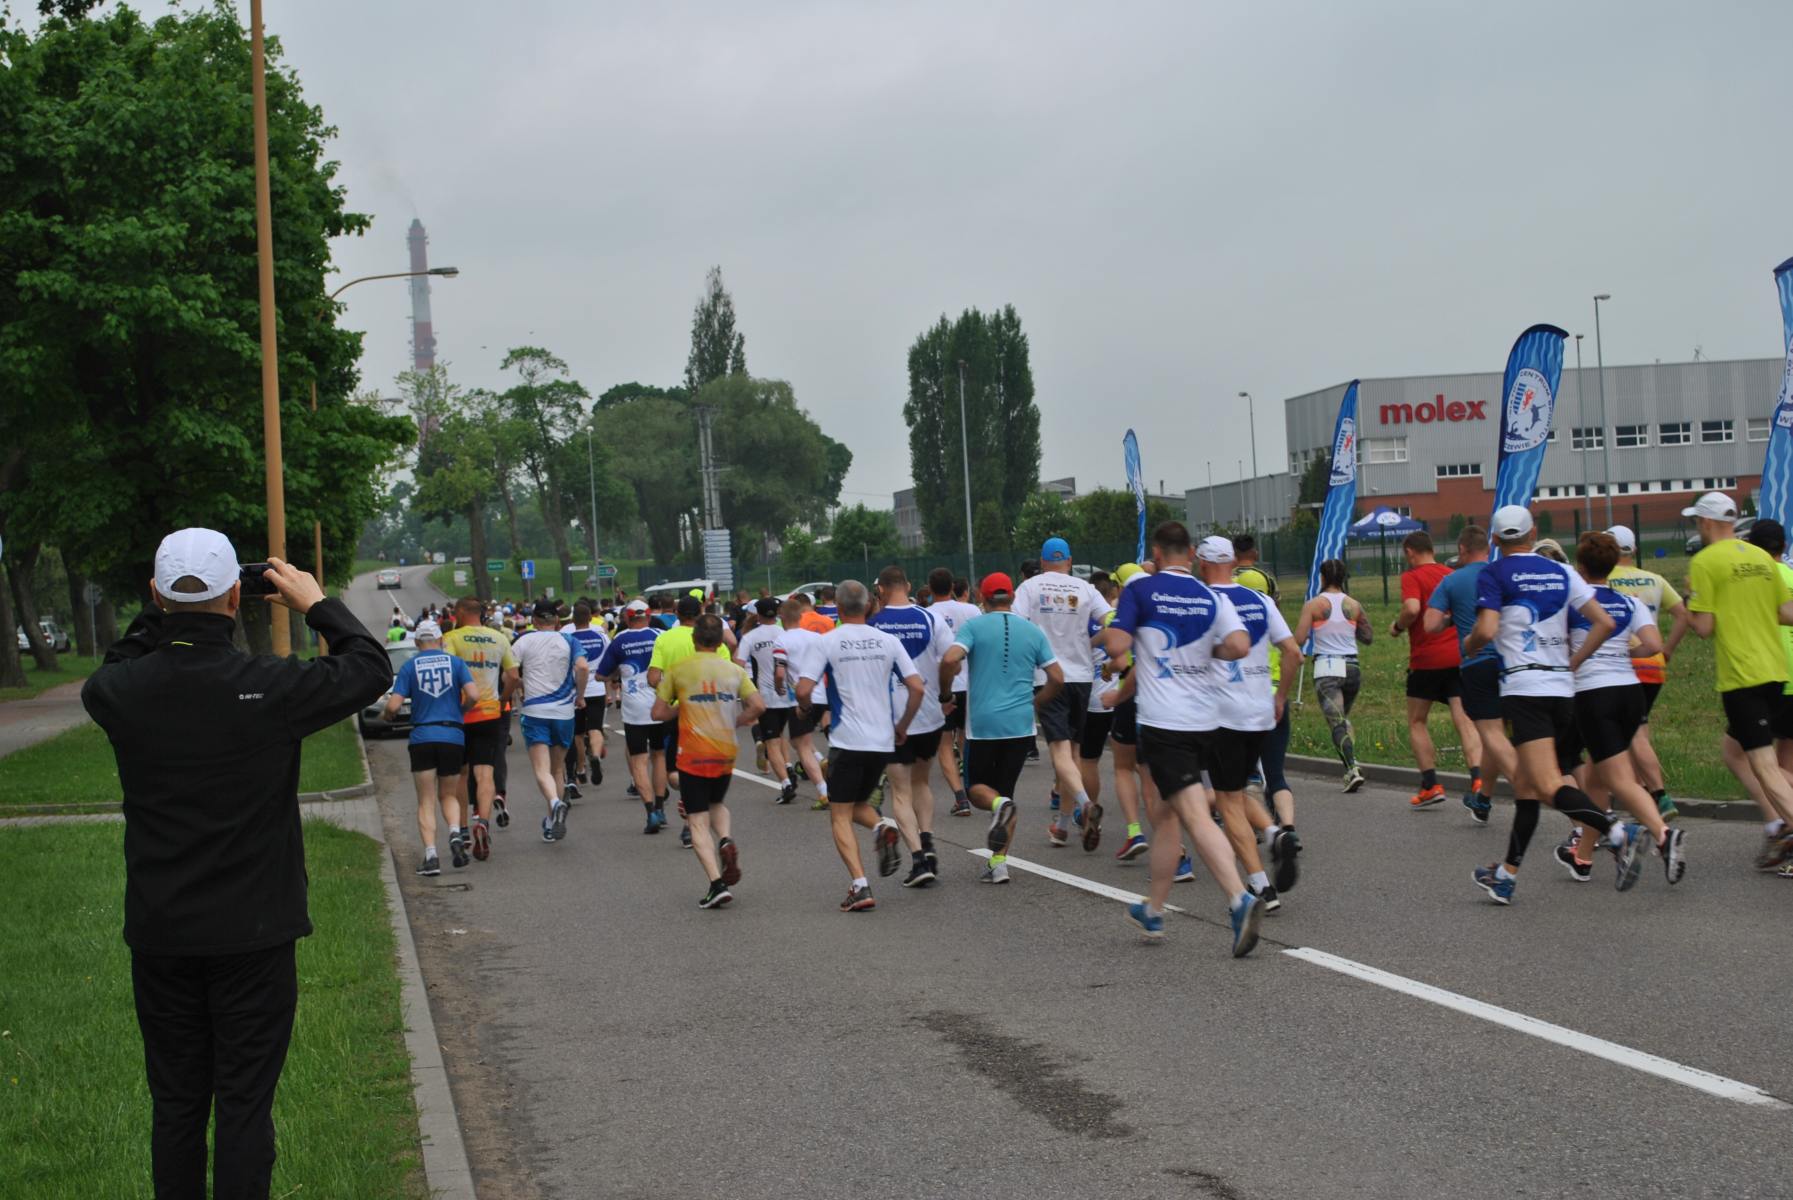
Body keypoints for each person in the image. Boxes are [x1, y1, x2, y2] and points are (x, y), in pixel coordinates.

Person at [81, 532, 392, 1199]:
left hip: (163, 929)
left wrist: (164, 611)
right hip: (255, 928)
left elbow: (120, 659)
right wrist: (317, 604)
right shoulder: (271, 688)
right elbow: (370, 668)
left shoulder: (119, 692)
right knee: (245, 1103)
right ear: (235, 597)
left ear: (156, 596)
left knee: (176, 1103)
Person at [1097, 522, 1263, 955]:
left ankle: (1239, 898)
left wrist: (1108, 638)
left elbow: (1116, 644)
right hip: (1207, 721)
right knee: (1165, 813)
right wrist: (1208, 652)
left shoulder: (1141, 589)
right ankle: (1153, 910)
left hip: (1165, 724)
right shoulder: (1211, 596)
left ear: (1156, 553)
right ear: (1191, 553)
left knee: (1192, 814)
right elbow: (1240, 645)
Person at [1464, 505, 1641, 905]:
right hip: (1562, 691)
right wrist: (1573, 662)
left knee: (1546, 785)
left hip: (1524, 688)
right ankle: (1506, 876)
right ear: (1533, 533)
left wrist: (1470, 644)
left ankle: (1617, 832)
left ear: (1495, 539)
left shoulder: (1494, 573)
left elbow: (1487, 629)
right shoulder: (1561, 571)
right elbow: (1604, 622)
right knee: (1527, 788)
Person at [1558, 532, 1686, 883]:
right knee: (1596, 779)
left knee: (1618, 779)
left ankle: (1664, 836)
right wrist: (1624, 654)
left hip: (1594, 693)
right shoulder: (1629, 602)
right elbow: (1654, 645)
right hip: (1631, 692)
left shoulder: (1575, 602)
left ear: (1581, 567)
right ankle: (1583, 858)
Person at [1681, 491, 1793, 871]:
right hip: (1776, 672)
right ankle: (1779, 830)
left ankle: (1786, 827)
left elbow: (1704, 627)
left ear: (1707, 522)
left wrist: (1689, 601)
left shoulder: (1705, 561)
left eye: (1697, 521)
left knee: (1763, 765)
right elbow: (1786, 612)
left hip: (1742, 676)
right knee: (1755, 757)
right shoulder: (1761, 557)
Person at [795, 580, 924, 911]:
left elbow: (803, 689)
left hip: (847, 740)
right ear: (868, 606)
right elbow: (917, 688)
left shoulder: (827, 642)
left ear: (838, 608)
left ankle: (860, 885)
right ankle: (881, 826)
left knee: (839, 813)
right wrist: (902, 726)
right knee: (855, 805)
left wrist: (805, 709)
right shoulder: (888, 641)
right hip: (882, 741)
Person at [936, 572, 1065, 884]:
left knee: (978, 790)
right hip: (1021, 725)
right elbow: (1058, 678)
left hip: (984, 725)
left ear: (982, 596)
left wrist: (946, 694)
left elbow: (950, 659)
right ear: (1012, 597)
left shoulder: (974, 626)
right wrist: (1037, 703)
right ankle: (998, 863)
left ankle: (1000, 809)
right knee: (1006, 791)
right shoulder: (1032, 630)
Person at [1200, 537, 1303, 909]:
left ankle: (1261, 886)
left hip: (1222, 714)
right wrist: (1280, 697)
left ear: (1202, 564)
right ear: (1233, 563)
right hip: (1261, 712)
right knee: (1237, 790)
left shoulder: (1203, 600)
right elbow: (1293, 653)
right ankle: (1276, 833)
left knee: (1227, 800)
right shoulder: (1260, 600)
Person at [652, 615, 766, 908]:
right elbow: (758, 706)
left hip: (692, 753)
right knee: (716, 803)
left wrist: (683, 707)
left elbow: (658, 713)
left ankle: (717, 884)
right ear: (720, 642)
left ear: (694, 639)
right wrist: (736, 720)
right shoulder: (733, 670)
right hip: (725, 750)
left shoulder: (678, 670)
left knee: (697, 819)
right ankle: (725, 838)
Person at [1013, 536, 1114, 850]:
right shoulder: (1086, 588)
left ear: (1043, 562)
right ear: (1069, 561)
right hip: (1082, 676)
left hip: (1048, 675)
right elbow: (1111, 620)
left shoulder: (1029, 587)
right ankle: (1062, 825)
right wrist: (1091, 643)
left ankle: (1085, 805)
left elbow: (1016, 626)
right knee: (1074, 753)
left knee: (1059, 750)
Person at [867, 565, 956, 886]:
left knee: (901, 792)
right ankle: (927, 839)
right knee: (921, 782)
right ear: (907, 585)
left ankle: (919, 860)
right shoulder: (931, 619)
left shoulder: (873, 625)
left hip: (893, 719)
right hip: (929, 713)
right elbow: (952, 661)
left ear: (880, 590)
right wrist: (945, 693)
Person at [1605, 524, 1691, 821]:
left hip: (1622, 665)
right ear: (1635, 550)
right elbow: (1682, 615)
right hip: (1653, 665)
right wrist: (1667, 650)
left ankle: (1658, 795)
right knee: (1635, 731)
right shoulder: (1655, 579)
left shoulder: (1603, 579)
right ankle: (1642, 799)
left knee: (1632, 734)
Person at [1391, 531, 1482, 809]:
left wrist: (1397, 626)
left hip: (1427, 660)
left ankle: (1430, 784)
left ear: (1410, 552)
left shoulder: (1412, 576)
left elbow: (1412, 608)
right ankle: (1478, 779)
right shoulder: (1449, 574)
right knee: (1464, 719)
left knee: (1417, 720)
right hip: (1457, 655)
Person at [1423, 526, 1507, 822]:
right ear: (1488, 548)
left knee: (1493, 735)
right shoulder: (1501, 574)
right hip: (1514, 664)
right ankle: (1483, 799)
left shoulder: (1452, 580)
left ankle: (1531, 787)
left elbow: (1430, 624)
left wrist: (1451, 619)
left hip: (1477, 663)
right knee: (1497, 736)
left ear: (1461, 549)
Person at [384, 620, 478, 875]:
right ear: (441, 640)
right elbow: (473, 694)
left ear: (417, 642)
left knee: (426, 800)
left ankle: (431, 856)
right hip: (452, 736)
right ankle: (456, 833)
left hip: (423, 737)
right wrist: (461, 710)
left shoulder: (409, 666)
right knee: (448, 795)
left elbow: (394, 705)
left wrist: (387, 716)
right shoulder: (456, 663)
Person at [648, 594, 734, 847]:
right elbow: (727, 676)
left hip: (679, 712)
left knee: (675, 771)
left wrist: (668, 694)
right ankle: (700, 822)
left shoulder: (665, 639)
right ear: (700, 614)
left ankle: (691, 817)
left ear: (677, 614)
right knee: (708, 770)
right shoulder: (715, 643)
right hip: (713, 714)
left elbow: (653, 677)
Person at [443, 595, 520, 860]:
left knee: (461, 774)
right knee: (485, 773)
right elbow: (513, 676)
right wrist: (503, 700)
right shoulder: (499, 638)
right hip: (489, 713)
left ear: (462, 612)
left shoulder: (452, 638)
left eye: (455, 612)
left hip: (460, 714)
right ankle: (483, 822)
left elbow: (447, 672)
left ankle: (463, 829)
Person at [511, 599, 589, 843]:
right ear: (556, 620)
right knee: (557, 769)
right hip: (564, 712)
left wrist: (518, 688)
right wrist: (580, 696)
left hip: (535, 711)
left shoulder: (523, 640)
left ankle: (555, 803)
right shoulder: (569, 640)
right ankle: (551, 821)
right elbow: (583, 667)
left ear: (533, 621)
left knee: (541, 770)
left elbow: (511, 673)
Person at [1293, 558, 1373, 792]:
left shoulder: (1314, 605)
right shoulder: (1354, 605)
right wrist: (1346, 626)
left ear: (1322, 577)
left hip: (1327, 669)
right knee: (1342, 721)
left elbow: (1299, 639)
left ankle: (1352, 769)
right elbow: (1368, 636)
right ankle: (1352, 760)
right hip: (1352, 668)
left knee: (1337, 723)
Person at [596, 599, 669, 833]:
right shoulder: (661, 635)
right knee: (659, 755)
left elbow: (600, 675)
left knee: (639, 760)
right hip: (660, 703)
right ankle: (661, 807)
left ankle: (650, 813)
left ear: (627, 618)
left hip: (634, 709)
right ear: (648, 616)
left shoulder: (619, 640)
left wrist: (619, 673)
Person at [925, 567, 981, 817]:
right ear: (952, 587)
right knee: (966, 738)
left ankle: (960, 797)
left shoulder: (926, 615)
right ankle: (972, 785)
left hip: (943, 687)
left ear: (930, 588)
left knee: (945, 744)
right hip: (971, 684)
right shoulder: (972, 611)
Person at [736, 597, 797, 802]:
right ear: (777, 613)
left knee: (771, 742)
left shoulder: (750, 637)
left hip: (766, 696)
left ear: (757, 615)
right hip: (789, 694)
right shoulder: (785, 633)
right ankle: (788, 766)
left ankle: (786, 784)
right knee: (780, 735)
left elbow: (738, 664)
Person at [773, 596, 832, 808]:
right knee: (797, 741)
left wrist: (778, 686)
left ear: (781, 617)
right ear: (801, 616)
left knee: (802, 746)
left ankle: (823, 791)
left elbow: (780, 672)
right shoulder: (816, 638)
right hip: (821, 694)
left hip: (800, 697)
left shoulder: (781, 640)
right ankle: (821, 760)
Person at [564, 601, 609, 798]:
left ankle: (580, 769)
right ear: (590, 617)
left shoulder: (568, 639)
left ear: (573, 620)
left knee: (577, 733)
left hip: (575, 691)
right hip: (597, 687)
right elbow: (609, 659)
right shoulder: (601, 635)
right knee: (595, 728)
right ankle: (596, 756)